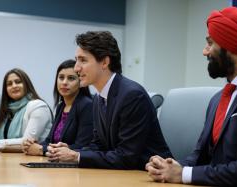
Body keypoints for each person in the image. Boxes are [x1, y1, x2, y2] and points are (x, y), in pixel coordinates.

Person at [146, 6, 237, 186]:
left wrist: (184, 174)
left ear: (231, 46)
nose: (204, 51)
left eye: (210, 43)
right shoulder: (217, 99)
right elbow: (200, 156)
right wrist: (168, 167)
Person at [45, 31, 172, 169]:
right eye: (76, 60)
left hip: (151, 175)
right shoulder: (99, 98)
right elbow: (98, 145)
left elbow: (126, 156)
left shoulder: (132, 95)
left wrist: (77, 156)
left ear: (104, 62)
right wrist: (72, 151)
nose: (76, 68)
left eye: (83, 60)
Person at [22, 59, 93, 156]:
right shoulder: (61, 106)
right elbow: (49, 141)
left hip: (74, 166)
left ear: (80, 82)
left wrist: (41, 149)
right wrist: (31, 145)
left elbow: (82, 147)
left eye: (71, 78)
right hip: (56, 163)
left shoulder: (87, 105)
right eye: (61, 77)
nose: (64, 82)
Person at [0, 68, 52, 151]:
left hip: (33, 161)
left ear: (26, 84)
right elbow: (4, 139)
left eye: (18, 82)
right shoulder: (9, 110)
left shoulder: (38, 106)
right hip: (9, 159)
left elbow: (27, 143)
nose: (14, 86)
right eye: (9, 84)